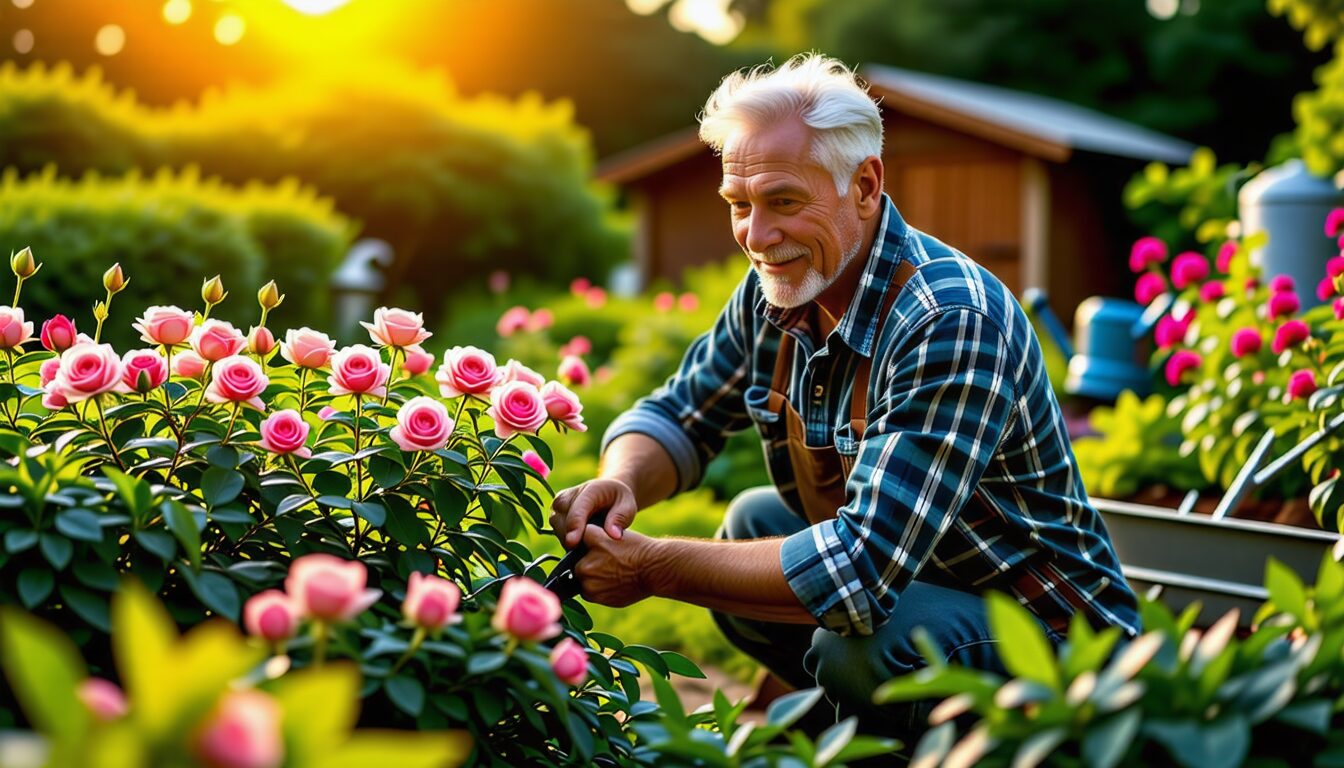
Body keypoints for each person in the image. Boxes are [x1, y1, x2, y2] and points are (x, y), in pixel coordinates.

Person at [548, 53, 1140, 737]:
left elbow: (856, 572)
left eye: (784, 202)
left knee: (857, 640)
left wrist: (653, 567)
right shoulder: (778, 288)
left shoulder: (948, 320)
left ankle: (918, 738)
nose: (757, 237)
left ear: (864, 185)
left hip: (1059, 643)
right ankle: (864, 731)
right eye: (739, 206)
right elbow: (680, 410)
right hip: (928, 585)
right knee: (751, 523)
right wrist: (617, 483)